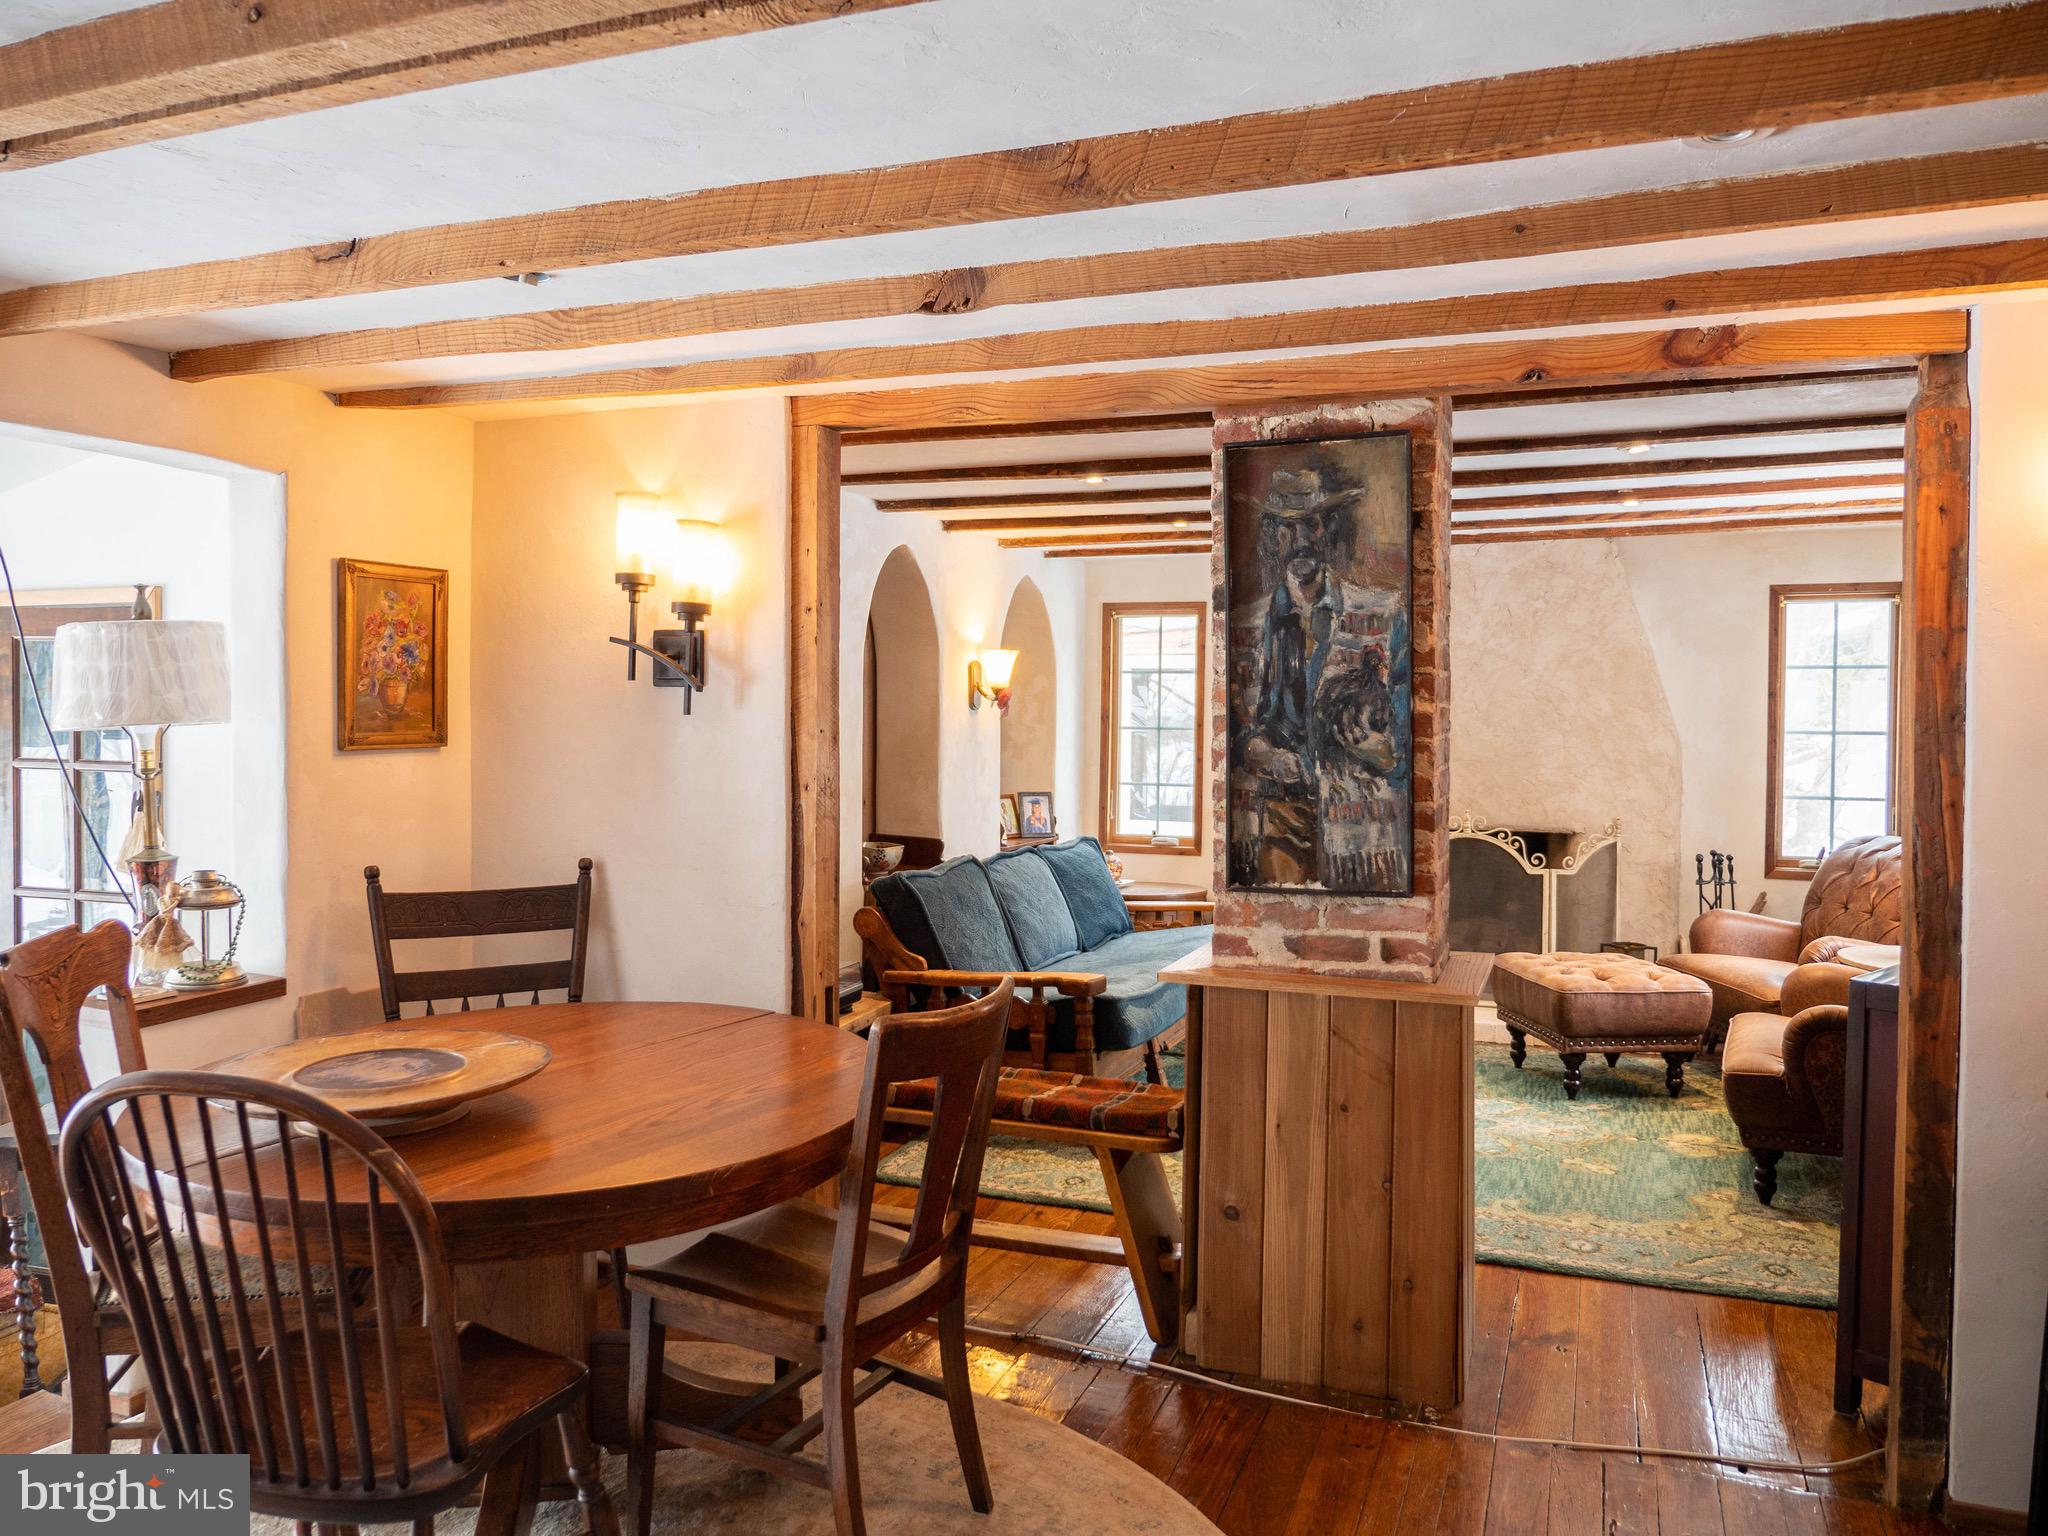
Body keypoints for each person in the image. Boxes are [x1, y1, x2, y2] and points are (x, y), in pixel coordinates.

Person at [1229, 465, 1412, 890]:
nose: (1301, 541)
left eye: (1309, 525)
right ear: (1273, 535)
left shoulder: (1384, 613)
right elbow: (1236, 729)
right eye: (1287, 528)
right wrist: (1261, 754)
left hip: (1359, 817)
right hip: (1275, 810)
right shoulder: (1245, 625)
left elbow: (1407, 733)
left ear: (1326, 527)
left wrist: (1381, 749)